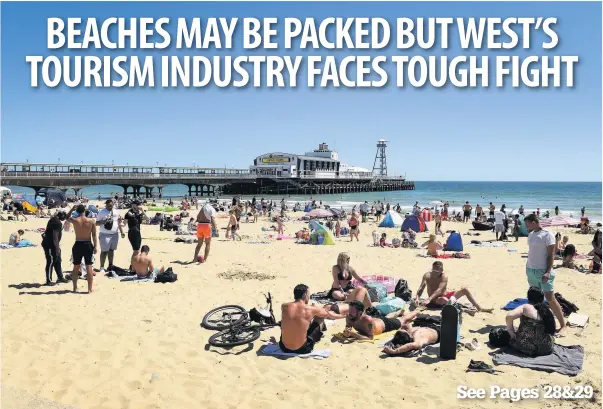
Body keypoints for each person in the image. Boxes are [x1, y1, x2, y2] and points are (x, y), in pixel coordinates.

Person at [524, 213, 566, 333]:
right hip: (531, 269)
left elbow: (550, 255)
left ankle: (563, 325)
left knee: (550, 298)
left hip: (544, 270)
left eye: (527, 223)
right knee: (535, 298)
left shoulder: (548, 234)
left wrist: (548, 272)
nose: (526, 226)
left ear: (533, 222)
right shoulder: (531, 234)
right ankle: (538, 322)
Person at [414, 261, 493, 312]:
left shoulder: (444, 276)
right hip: (435, 299)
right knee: (444, 299)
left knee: (465, 290)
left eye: (439, 270)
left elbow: (440, 289)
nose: (437, 272)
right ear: (432, 269)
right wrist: (417, 298)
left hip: (442, 295)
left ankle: (479, 307)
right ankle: (459, 307)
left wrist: (428, 299)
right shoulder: (427, 275)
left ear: (442, 270)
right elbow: (421, 287)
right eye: (435, 270)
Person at [279, 284, 333, 354]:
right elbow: (325, 314)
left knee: (289, 321)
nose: (309, 297)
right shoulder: (309, 309)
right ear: (305, 295)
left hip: (283, 347)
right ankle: (320, 332)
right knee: (319, 317)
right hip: (303, 349)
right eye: (308, 295)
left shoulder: (284, 306)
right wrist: (315, 308)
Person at [505, 287, 555, 356]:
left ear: (528, 297)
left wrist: (511, 331)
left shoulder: (526, 307)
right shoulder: (547, 310)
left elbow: (509, 316)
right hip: (546, 348)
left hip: (527, 347)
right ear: (542, 298)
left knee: (506, 336)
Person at [67, 205, 98, 293]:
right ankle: (89, 289)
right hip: (88, 244)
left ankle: (75, 288)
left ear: (77, 211)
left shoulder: (75, 220)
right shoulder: (91, 221)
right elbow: (94, 235)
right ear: (85, 210)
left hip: (78, 244)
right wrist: (95, 246)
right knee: (89, 266)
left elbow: (66, 217)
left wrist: (72, 209)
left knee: (76, 267)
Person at [343, 300, 409, 340]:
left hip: (385, 324)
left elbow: (370, 337)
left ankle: (416, 312)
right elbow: (348, 326)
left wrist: (354, 335)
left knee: (402, 320)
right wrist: (347, 331)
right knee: (387, 317)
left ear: (360, 313)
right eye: (349, 310)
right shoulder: (349, 317)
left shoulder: (367, 320)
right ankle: (398, 312)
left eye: (352, 311)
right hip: (376, 320)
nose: (350, 312)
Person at [96, 200, 125, 272]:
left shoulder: (116, 211)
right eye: (108, 205)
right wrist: (103, 221)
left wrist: (121, 232)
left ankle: (110, 266)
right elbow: (96, 223)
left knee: (111, 250)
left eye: (111, 205)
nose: (110, 207)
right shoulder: (102, 212)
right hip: (104, 234)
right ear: (106, 205)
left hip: (115, 234)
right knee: (104, 251)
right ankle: (102, 267)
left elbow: (118, 222)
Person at [42, 211, 69, 286]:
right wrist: (57, 248)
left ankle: (60, 277)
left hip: (53, 244)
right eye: (64, 217)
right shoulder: (57, 223)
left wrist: (72, 210)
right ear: (62, 216)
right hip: (50, 245)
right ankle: (48, 280)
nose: (64, 219)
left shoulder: (54, 219)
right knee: (51, 262)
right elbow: (55, 236)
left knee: (58, 261)